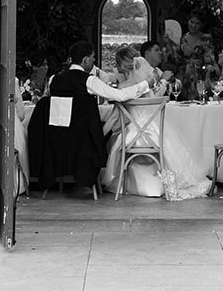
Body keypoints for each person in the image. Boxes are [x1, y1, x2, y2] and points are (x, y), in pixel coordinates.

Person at [30, 41, 148, 195]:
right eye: (92, 58)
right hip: (83, 144)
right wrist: (147, 83)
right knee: (107, 129)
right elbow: (120, 95)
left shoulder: (54, 79)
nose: (94, 61)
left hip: (55, 143)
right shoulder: (89, 80)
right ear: (85, 60)